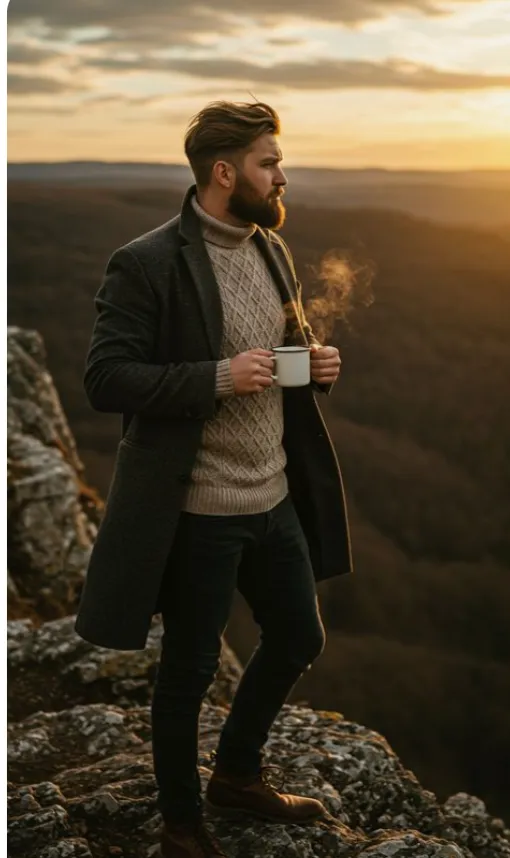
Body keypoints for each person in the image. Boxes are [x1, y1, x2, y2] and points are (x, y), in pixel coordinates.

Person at [75, 100, 353, 857]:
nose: (282, 176)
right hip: (199, 507)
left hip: (273, 494)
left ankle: (235, 775)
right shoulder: (147, 262)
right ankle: (181, 827)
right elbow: (106, 378)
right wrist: (216, 377)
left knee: (297, 636)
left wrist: (314, 365)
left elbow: (280, 347)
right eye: (270, 163)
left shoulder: (272, 249)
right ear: (225, 173)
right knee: (190, 671)